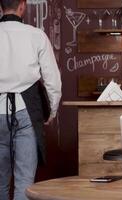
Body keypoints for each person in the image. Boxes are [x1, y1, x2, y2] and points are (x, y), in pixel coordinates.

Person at [0, 0, 62, 199]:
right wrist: (51, 111)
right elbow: (53, 79)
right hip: (27, 112)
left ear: (0, 8)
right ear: (22, 6)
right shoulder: (36, 35)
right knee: (25, 182)